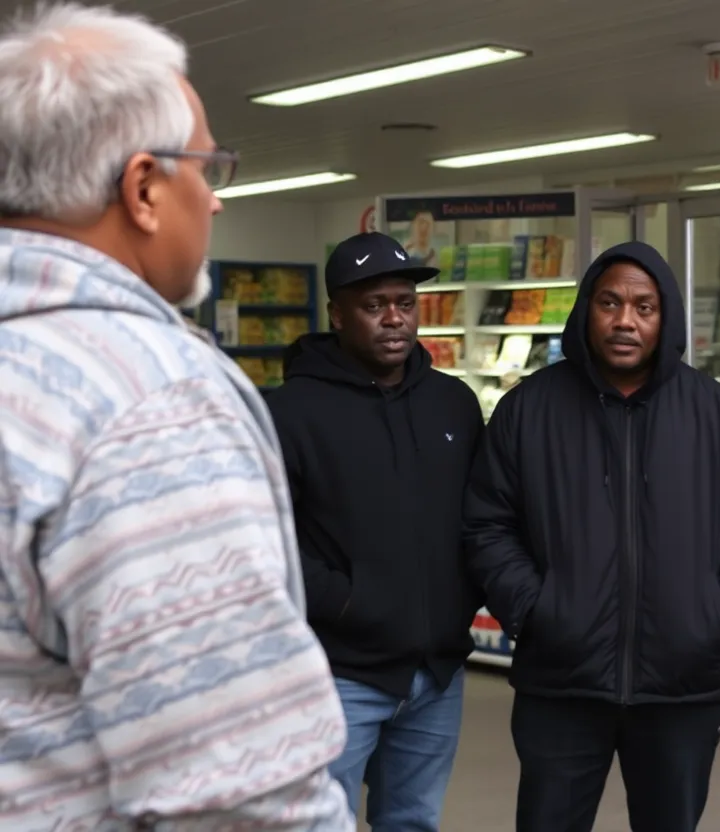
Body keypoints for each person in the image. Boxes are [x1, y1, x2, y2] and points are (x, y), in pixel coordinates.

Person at [0, 4, 351, 828]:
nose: (218, 202)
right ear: (146, 187)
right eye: (210, 168)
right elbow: (238, 785)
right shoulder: (151, 401)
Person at [463, 240, 720, 832]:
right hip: (560, 682)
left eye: (644, 307)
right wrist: (537, 611)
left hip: (681, 686)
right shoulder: (527, 410)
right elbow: (488, 524)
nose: (625, 321)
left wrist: (718, 615)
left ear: (665, 318)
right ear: (586, 308)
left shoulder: (719, 416)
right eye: (610, 303)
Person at [267, 231, 484, 829]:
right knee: (318, 822)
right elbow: (267, 543)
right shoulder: (290, 413)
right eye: (373, 305)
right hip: (339, 672)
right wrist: (350, 603)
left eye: (405, 303)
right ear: (337, 314)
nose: (394, 319)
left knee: (413, 821)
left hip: (437, 673)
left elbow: (482, 517)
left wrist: (460, 601)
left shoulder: (453, 404)